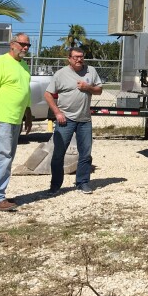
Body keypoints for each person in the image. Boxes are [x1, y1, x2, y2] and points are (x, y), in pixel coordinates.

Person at [0, 33, 33, 212]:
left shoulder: (24, 65)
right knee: (2, 158)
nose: (25, 48)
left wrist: (28, 113)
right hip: (0, 120)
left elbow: (25, 92)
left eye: (28, 45)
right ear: (12, 44)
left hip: (15, 119)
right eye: (22, 44)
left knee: (5, 158)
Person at [45, 47, 102, 194]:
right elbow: (48, 94)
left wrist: (88, 87)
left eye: (81, 57)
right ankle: (56, 185)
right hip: (66, 119)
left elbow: (99, 90)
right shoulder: (61, 74)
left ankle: (82, 182)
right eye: (76, 57)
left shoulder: (91, 71)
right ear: (69, 58)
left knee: (85, 153)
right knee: (59, 153)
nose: (79, 59)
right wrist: (57, 113)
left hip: (85, 120)